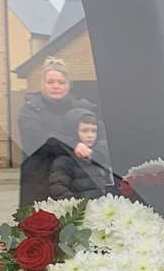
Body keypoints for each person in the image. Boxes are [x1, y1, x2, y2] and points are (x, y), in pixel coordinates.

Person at [17, 58, 107, 208]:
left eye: (61, 82)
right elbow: (36, 137)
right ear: (42, 84)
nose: (56, 86)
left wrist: (95, 154)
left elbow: (102, 137)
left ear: (68, 85)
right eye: (50, 82)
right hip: (40, 182)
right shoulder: (30, 110)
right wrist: (74, 145)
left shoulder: (84, 108)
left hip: (78, 185)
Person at [47, 113, 114, 200]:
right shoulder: (64, 161)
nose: (90, 135)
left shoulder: (100, 158)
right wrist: (79, 206)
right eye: (84, 131)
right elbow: (58, 189)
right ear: (75, 133)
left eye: (94, 131)